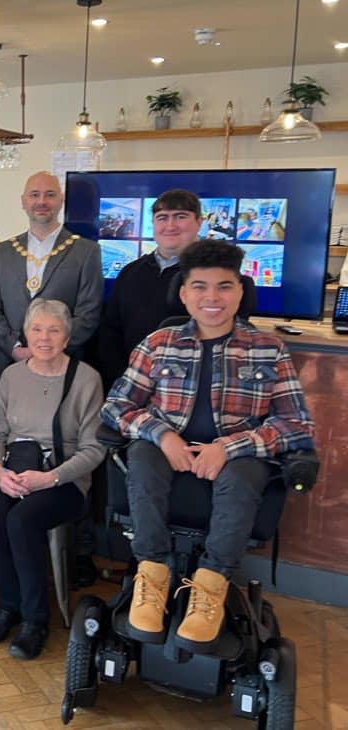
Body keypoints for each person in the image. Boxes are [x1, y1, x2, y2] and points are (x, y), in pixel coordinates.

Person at [101, 241, 315, 650]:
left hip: (235, 458)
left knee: (244, 469)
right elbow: (117, 405)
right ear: (183, 293)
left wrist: (231, 447)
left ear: (241, 291)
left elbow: (296, 424)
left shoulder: (269, 349)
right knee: (142, 455)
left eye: (224, 286)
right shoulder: (159, 342)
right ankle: (152, 573)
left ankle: (211, 585)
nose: (211, 297)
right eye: (199, 287)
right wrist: (162, 434)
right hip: (166, 451)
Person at [0, 299, 105, 660]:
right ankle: (9, 606)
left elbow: (94, 450)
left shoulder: (86, 379)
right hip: (14, 470)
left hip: (64, 480)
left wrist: (50, 478)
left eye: (54, 330)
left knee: (21, 521)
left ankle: (36, 620)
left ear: (67, 336)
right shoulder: (12, 375)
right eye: (37, 329)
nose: (44, 338)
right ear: (25, 334)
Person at [0, 171, 102, 375]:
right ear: (23, 201)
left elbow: (88, 314)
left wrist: (46, 350)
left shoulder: (86, 251)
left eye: (50, 194)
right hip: (9, 364)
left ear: (61, 200)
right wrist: (15, 348)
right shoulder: (3, 251)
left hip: (62, 366)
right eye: (34, 195)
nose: (42, 201)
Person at [97, 189, 204, 388]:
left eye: (180, 217)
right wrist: (125, 379)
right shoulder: (131, 272)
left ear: (199, 222)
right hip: (132, 385)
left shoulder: (212, 275)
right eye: (162, 218)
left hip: (188, 390)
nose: (170, 226)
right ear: (153, 224)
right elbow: (110, 332)